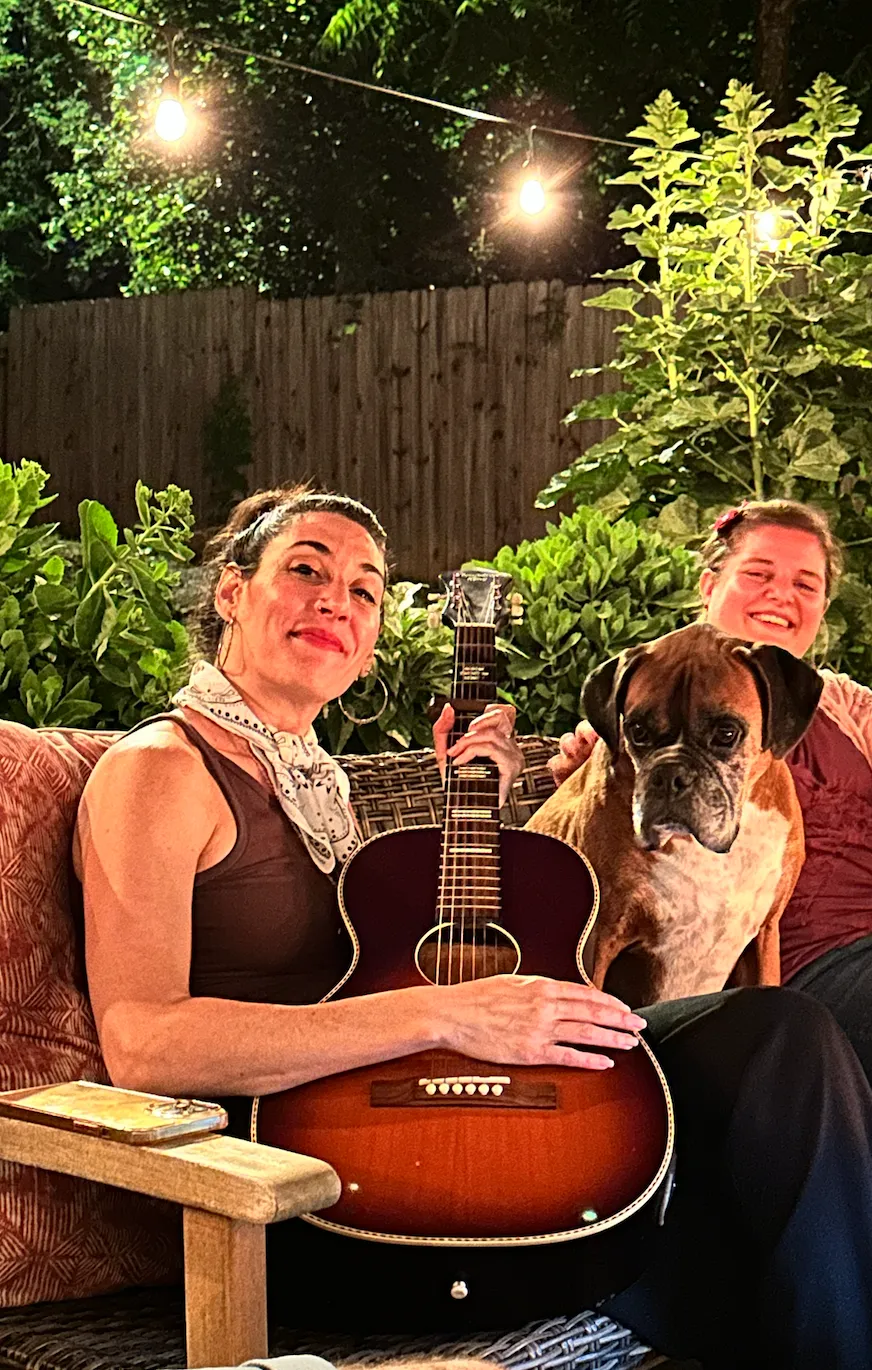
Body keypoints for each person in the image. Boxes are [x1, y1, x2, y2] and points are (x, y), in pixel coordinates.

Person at [75, 486, 872, 1370]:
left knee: (782, 1051)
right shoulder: (160, 768)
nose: (338, 602)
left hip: (414, 1105)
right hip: (300, 1184)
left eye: (366, 588)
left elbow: (395, 955)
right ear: (232, 591)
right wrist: (446, 1016)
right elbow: (142, 1044)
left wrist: (482, 805)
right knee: (779, 1052)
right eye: (306, 570)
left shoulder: (315, 781)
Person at [552, 498, 872, 1085]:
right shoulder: (644, 688)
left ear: (823, 607)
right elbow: (575, 890)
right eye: (758, 573)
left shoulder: (847, 706)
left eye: (805, 584)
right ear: (709, 585)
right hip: (805, 976)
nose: (780, 595)